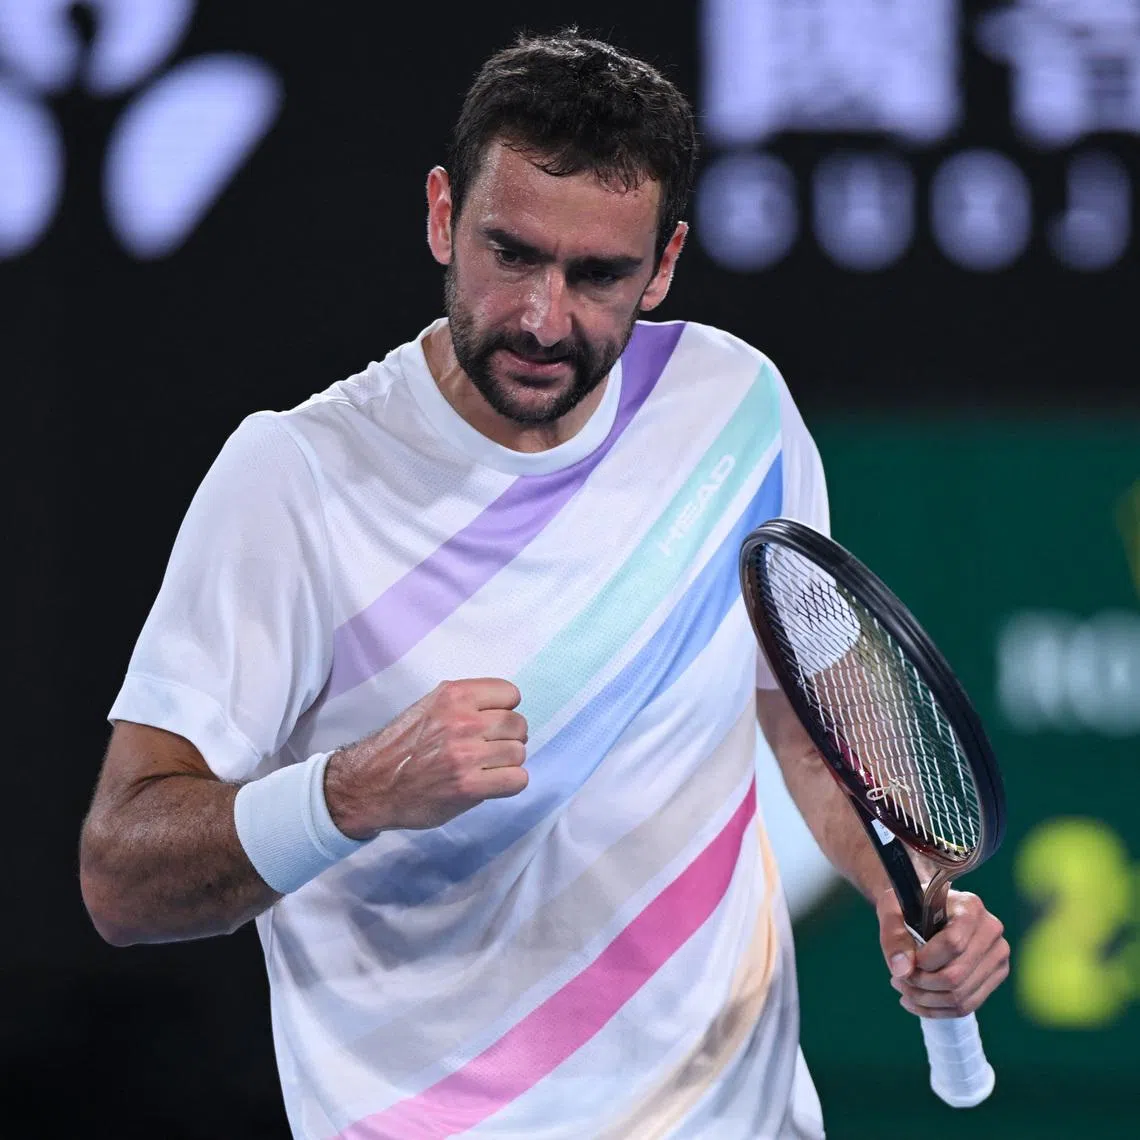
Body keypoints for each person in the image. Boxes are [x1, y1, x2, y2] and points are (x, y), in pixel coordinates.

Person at [79, 28, 1009, 1139]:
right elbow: (121, 884)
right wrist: (349, 794)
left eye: (598, 274)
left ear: (663, 265)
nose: (541, 317)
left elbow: (814, 735)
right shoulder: (295, 480)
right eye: (510, 253)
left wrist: (908, 900)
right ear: (442, 215)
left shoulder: (738, 407)